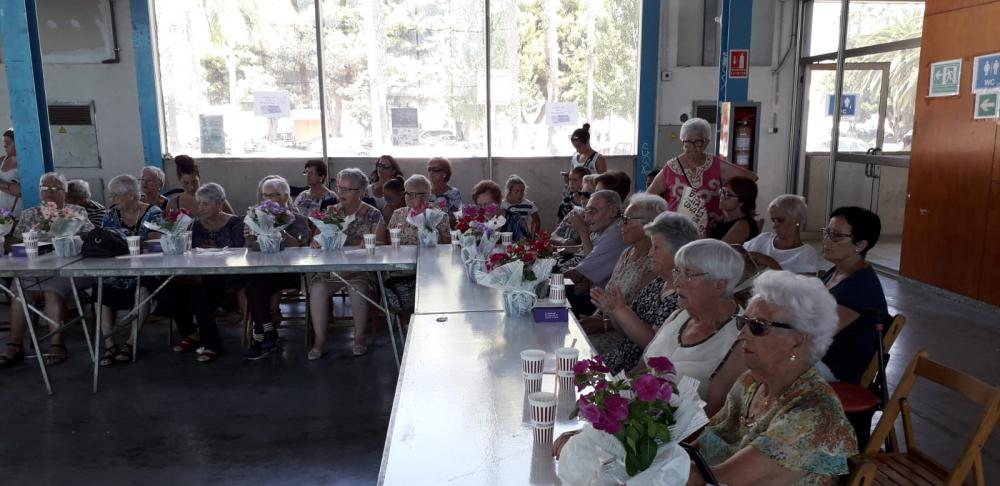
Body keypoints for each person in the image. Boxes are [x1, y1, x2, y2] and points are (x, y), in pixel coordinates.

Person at [686, 271, 857, 486]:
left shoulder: (815, 414)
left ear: (799, 338)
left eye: (758, 326)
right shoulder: (751, 382)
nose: (741, 334)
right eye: (742, 322)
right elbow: (699, 445)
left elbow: (715, 478)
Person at [642, 239, 746, 416]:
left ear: (719, 284)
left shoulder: (740, 339)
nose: (677, 282)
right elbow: (640, 369)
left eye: (688, 274)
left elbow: (714, 414)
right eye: (677, 271)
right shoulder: (679, 315)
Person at [1, 172, 95, 368]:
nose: (50, 192)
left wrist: (67, 232)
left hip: (68, 269)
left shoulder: (75, 211)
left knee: (52, 291)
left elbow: (89, 236)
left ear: (65, 193)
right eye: (45, 188)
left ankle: (57, 343)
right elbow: (14, 243)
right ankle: (14, 345)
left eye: (56, 188)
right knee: (19, 292)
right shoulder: (30, 214)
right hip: (34, 269)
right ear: (39, 192)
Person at [591, 212, 700, 374]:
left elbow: (652, 345)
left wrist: (620, 310)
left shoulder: (682, 297)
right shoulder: (657, 284)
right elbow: (625, 331)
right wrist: (613, 311)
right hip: (619, 360)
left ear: (678, 252)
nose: (650, 254)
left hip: (639, 374)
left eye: (656, 248)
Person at [308, 168, 388, 359]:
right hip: (333, 270)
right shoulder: (332, 212)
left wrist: (371, 243)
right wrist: (316, 242)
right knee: (317, 288)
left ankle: (359, 336)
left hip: (360, 270)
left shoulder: (373, 214)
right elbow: (319, 238)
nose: (341, 193)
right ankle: (320, 339)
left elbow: (382, 244)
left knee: (357, 288)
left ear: (361, 191)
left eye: (347, 189)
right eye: (339, 188)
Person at [161, 183, 245, 363]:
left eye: (205, 204)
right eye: (199, 203)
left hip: (227, 275)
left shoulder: (235, 223)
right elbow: (188, 250)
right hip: (199, 274)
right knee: (169, 290)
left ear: (219, 204)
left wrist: (218, 250)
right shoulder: (195, 225)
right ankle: (190, 333)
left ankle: (212, 344)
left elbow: (241, 252)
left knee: (199, 295)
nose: (200, 208)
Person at [578, 193, 665, 354]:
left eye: (626, 220)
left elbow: (637, 315)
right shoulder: (627, 253)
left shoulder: (654, 263)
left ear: (649, 224)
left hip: (625, 341)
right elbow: (607, 297)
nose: (620, 225)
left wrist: (604, 324)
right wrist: (594, 318)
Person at [646, 118, 757, 234]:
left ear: (706, 143)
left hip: (712, 230)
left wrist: (735, 204)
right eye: (688, 143)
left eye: (698, 142)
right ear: (682, 142)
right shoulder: (671, 167)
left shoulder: (715, 164)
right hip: (677, 231)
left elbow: (751, 178)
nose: (693, 147)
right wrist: (661, 217)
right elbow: (649, 196)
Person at [97, 175, 164, 366]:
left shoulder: (154, 213)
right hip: (117, 270)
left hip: (146, 269)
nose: (112, 199)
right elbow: (104, 241)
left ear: (131, 195)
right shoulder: (111, 215)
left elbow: (157, 242)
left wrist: (131, 244)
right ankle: (109, 345)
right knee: (100, 288)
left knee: (145, 286)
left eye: (115, 195)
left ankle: (131, 343)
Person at [243, 176, 312, 359]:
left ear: (286, 196)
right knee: (254, 281)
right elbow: (249, 250)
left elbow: (302, 248)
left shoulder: (298, 219)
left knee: (255, 284)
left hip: (290, 271)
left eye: (274, 195)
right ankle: (266, 332)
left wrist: (279, 229)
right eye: (265, 195)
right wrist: (249, 236)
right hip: (264, 271)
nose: (269, 200)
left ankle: (260, 335)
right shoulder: (256, 217)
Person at [819, 206, 888, 385]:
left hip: (836, 371)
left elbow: (818, 333)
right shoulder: (837, 270)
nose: (826, 241)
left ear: (860, 245)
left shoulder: (860, 286)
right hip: (819, 357)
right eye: (827, 232)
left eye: (836, 236)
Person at [383, 175, 452, 329]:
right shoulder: (398, 214)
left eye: (413, 194)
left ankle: (428, 323)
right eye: (406, 193)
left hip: (433, 270)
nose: (408, 197)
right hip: (401, 270)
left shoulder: (439, 216)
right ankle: (407, 324)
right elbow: (389, 243)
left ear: (427, 195)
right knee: (399, 292)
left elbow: (447, 247)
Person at [564, 190, 627, 315]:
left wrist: (543, 281)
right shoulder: (607, 229)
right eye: (586, 212)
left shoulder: (615, 233)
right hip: (596, 296)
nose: (586, 219)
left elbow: (578, 274)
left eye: (592, 212)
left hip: (604, 306)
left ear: (613, 210)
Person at [743, 195, 822, 274]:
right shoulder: (763, 239)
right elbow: (740, 251)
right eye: (773, 220)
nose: (774, 226)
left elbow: (801, 282)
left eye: (780, 220)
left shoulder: (806, 253)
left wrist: (770, 262)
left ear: (797, 219)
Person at [168, 155, 235, 214]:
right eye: (186, 183)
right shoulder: (174, 204)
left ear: (199, 178)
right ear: (179, 180)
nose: (191, 187)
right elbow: (167, 224)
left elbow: (234, 221)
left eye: (195, 182)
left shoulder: (215, 198)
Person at [710, 176, 759, 244]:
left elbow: (719, 249)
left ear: (741, 201)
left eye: (727, 194)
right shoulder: (721, 221)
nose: (722, 196)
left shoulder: (743, 225)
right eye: (722, 191)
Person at [551, 174, 596, 248]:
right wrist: (564, 241)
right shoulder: (575, 212)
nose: (582, 197)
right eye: (580, 193)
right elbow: (553, 236)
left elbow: (588, 250)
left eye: (586, 195)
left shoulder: (599, 221)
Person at [0, 128, 21, 216]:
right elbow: (16, 191)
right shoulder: (2, 160)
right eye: (4, 143)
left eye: (8, 143)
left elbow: (19, 191)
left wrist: (1, 184)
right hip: (2, 210)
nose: (4, 146)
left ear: (18, 144)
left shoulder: (24, 165)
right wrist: (10, 186)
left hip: (16, 211)